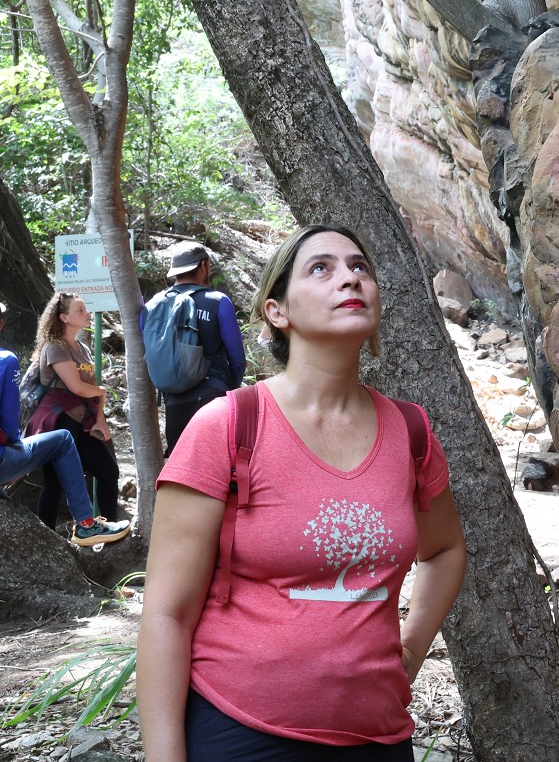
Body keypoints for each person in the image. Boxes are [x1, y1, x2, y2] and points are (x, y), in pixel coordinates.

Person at [137, 225, 467, 762]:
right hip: (240, 731)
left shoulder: (410, 432)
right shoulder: (228, 425)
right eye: (322, 268)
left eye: (360, 267)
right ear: (277, 311)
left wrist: (411, 646)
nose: (350, 279)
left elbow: (446, 549)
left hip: (377, 734)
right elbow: (166, 615)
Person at [0, 301, 129, 546]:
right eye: (80, 310)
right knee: (54, 480)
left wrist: (100, 418)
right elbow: (78, 387)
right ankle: (66, 533)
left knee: (108, 471)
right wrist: (100, 391)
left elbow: (90, 391)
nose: (87, 313)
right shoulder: (43, 351)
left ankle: (108, 536)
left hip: (82, 421)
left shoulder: (81, 348)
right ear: (63, 317)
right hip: (56, 420)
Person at [142, 242, 247, 455]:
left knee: (182, 474)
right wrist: (228, 386)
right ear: (204, 266)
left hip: (174, 404)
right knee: (219, 470)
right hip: (213, 399)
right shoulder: (217, 302)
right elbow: (237, 357)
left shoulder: (151, 306)